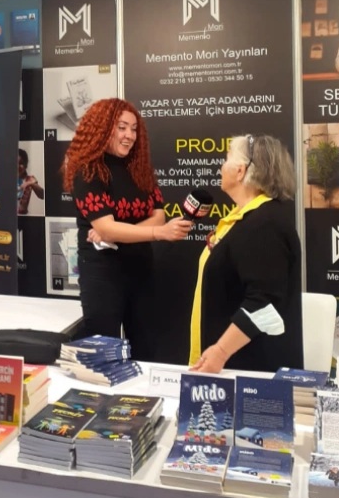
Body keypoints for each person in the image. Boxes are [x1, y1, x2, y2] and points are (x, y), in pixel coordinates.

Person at [62, 98, 191, 359]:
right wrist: (156, 233)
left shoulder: (139, 168)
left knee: (145, 347)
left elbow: (158, 216)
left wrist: (116, 232)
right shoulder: (87, 170)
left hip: (141, 268)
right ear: (102, 129)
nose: (129, 135)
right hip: (103, 272)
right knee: (103, 350)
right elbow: (107, 228)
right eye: (121, 128)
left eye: (133, 129)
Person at [190, 134, 303, 374]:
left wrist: (221, 351)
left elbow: (263, 303)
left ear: (240, 171)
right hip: (235, 368)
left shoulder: (265, 224)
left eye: (226, 159)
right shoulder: (245, 219)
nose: (221, 167)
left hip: (252, 374)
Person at [17, 147, 44, 215]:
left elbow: (42, 195)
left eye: (21, 163)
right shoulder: (7, 178)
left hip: (23, 215)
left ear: (26, 165)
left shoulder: (30, 179)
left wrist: (29, 183)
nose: (18, 166)